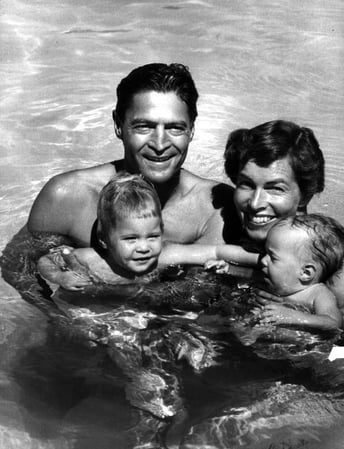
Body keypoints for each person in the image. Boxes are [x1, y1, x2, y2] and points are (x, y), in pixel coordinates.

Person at [28, 63, 231, 248]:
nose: (159, 144)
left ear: (191, 130)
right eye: (144, 126)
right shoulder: (66, 197)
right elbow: (22, 273)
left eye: (175, 128)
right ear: (118, 125)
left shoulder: (215, 208)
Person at [37, 173, 258, 291]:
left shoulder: (165, 255)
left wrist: (263, 259)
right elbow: (46, 260)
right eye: (130, 238)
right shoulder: (89, 259)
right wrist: (60, 276)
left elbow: (218, 252)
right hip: (97, 313)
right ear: (104, 240)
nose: (144, 247)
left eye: (152, 236)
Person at [218, 119, 344, 313]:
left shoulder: (335, 275)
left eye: (276, 188)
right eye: (246, 184)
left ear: (306, 194)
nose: (255, 203)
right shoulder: (229, 233)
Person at [257, 214, 343, 331]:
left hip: (302, 345)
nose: (263, 260)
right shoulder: (270, 279)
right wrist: (228, 269)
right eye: (265, 252)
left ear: (306, 273)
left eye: (273, 257)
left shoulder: (317, 294)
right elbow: (248, 275)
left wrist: (296, 317)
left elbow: (334, 321)